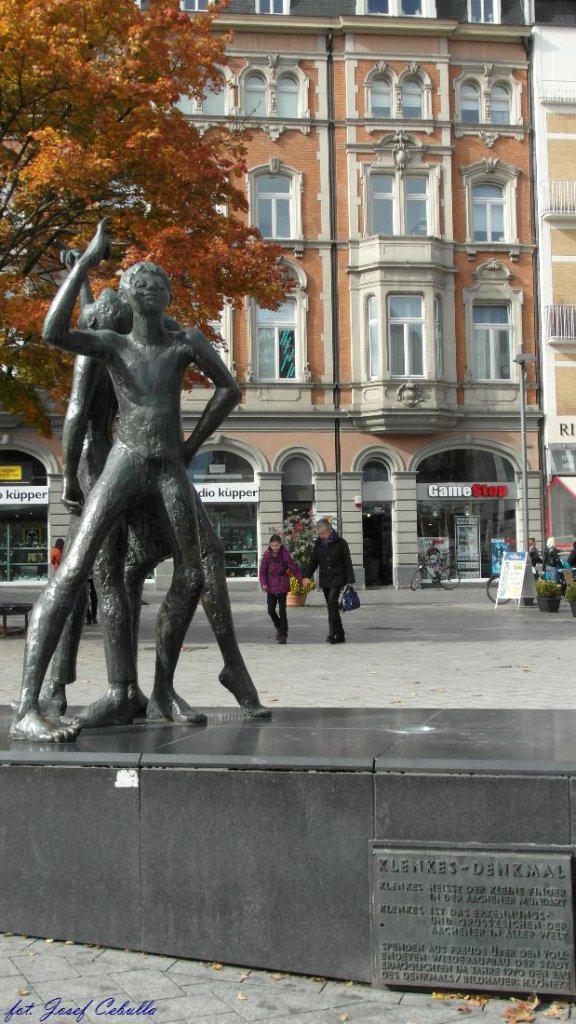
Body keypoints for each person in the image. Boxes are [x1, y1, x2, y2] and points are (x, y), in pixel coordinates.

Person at [10, 218, 255, 742]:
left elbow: (229, 390)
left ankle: (161, 689)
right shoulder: (112, 345)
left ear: (167, 296)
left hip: (166, 465)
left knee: (194, 573)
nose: (148, 288)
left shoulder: (184, 341)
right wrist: (81, 265)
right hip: (124, 462)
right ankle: (28, 707)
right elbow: (54, 332)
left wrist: (188, 447)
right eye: (140, 283)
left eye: (158, 283)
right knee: (75, 569)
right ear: (126, 295)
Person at [302, 519, 354, 645]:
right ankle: (340, 633)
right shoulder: (318, 544)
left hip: (338, 578)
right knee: (332, 607)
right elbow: (313, 561)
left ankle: (332, 633)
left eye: (323, 533)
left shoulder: (341, 543)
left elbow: (347, 562)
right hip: (325, 579)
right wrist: (307, 576)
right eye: (320, 534)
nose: (322, 536)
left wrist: (350, 580)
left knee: (332, 601)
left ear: (330, 531)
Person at [259, 533, 303, 644]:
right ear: (270, 545)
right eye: (273, 545)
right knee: (270, 610)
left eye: (277, 545)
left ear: (280, 545)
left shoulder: (285, 554)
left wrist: (300, 579)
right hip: (270, 587)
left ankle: (283, 635)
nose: (275, 548)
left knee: (282, 610)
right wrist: (263, 583)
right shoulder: (267, 555)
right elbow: (262, 571)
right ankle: (280, 627)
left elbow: (294, 568)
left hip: (282, 585)